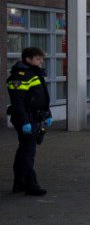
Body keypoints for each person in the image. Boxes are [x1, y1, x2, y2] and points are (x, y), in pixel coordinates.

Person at [7, 46, 52, 196]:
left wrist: (47, 113)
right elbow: (18, 101)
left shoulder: (34, 73)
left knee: (24, 150)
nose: (41, 62)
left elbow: (40, 97)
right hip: (26, 119)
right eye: (38, 59)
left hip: (34, 117)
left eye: (42, 59)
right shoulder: (19, 76)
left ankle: (19, 183)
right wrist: (24, 121)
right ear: (28, 59)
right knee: (28, 152)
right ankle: (31, 185)